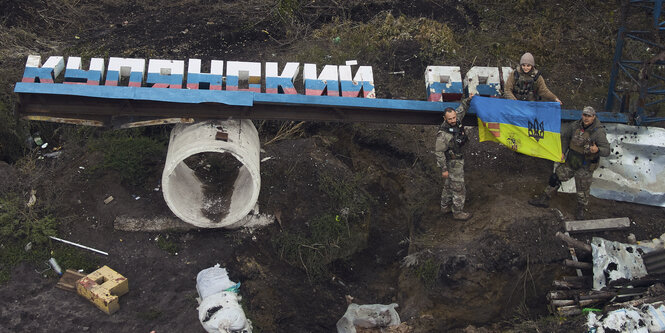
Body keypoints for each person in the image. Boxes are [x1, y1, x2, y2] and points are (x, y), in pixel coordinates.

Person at [528, 106, 610, 219]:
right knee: (555, 178)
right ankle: (544, 199)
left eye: (589, 116)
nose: (586, 118)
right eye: (584, 115)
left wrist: (598, 150)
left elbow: (607, 150)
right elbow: (565, 137)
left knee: (582, 190)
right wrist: (562, 151)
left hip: (585, 166)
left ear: (594, 117)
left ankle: (581, 209)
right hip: (571, 162)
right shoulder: (575, 125)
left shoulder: (598, 132)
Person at [435, 93, 474, 221]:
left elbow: (462, 108)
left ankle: (444, 206)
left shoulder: (457, 120)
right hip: (452, 162)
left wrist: (468, 99)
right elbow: (439, 152)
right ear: (445, 119)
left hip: (458, 158)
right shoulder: (443, 135)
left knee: (449, 184)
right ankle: (458, 212)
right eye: (450, 119)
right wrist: (444, 169)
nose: (453, 120)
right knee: (458, 187)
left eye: (453, 117)